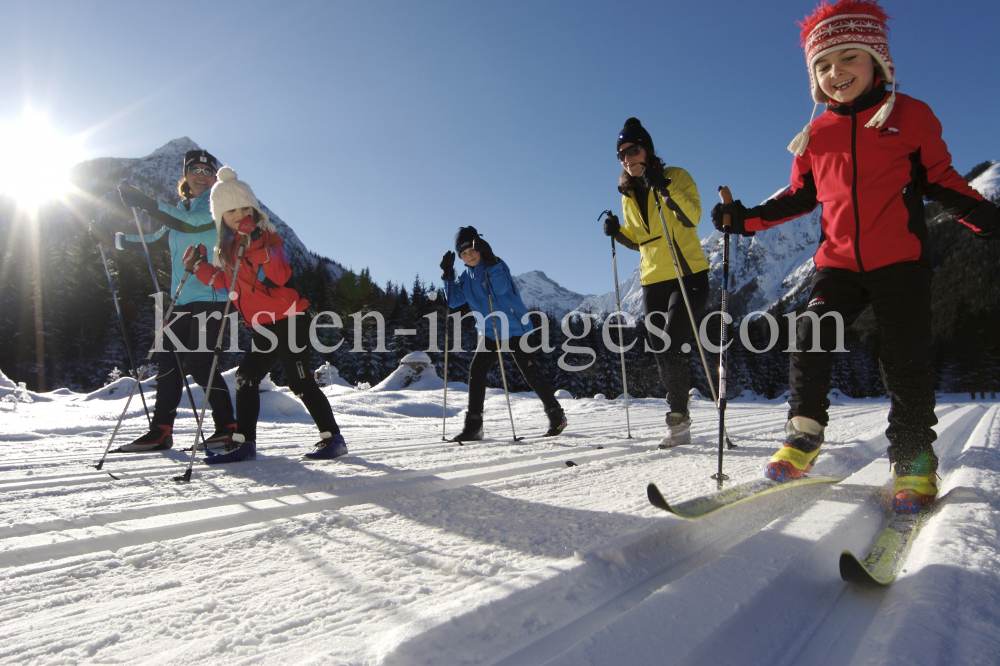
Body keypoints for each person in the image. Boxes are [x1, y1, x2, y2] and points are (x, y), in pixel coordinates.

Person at [711, 0, 999, 513]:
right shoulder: (815, 135)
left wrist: (985, 218)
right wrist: (744, 219)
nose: (835, 72)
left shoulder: (910, 116)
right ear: (813, 79)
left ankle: (912, 456)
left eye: (849, 57)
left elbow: (941, 180)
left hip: (900, 263)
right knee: (810, 334)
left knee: (903, 359)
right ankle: (804, 435)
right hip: (838, 263)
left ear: (879, 62)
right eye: (823, 65)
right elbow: (800, 197)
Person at [183, 166, 347, 463]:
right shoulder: (228, 250)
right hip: (265, 326)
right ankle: (244, 443)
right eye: (232, 209)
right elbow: (227, 284)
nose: (240, 213)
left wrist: (257, 242)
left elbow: (281, 274)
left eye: (246, 207)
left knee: (299, 381)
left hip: (289, 319)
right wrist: (199, 267)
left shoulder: (269, 239)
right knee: (246, 378)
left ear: (255, 209)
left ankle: (333, 439)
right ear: (220, 215)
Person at [89, 150, 236, 452]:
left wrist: (145, 202)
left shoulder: (217, 208)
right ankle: (161, 431)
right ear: (185, 176)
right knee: (168, 361)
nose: (201, 175)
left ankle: (228, 428)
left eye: (207, 171)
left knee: (199, 361)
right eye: (194, 169)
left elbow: (191, 226)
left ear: (214, 178)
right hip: (182, 299)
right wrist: (113, 239)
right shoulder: (179, 212)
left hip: (212, 297)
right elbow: (155, 241)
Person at [604, 118, 710, 447]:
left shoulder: (676, 176)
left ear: (647, 150)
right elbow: (641, 239)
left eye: (632, 151)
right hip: (653, 279)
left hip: (687, 272)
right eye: (621, 155)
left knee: (673, 339)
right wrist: (618, 232)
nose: (627, 159)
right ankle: (680, 415)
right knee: (661, 346)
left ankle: (678, 417)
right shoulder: (627, 194)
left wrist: (663, 185)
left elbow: (691, 217)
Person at [440, 226, 566, 441]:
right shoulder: (464, 277)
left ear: (480, 248)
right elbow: (454, 301)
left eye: (472, 251)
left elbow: (500, 289)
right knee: (476, 372)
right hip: (489, 332)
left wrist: (491, 260)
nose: (468, 256)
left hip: (517, 329)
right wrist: (447, 275)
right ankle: (473, 427)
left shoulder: (496, 265)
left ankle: (556, 415)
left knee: (530, 373)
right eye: (463, 254)